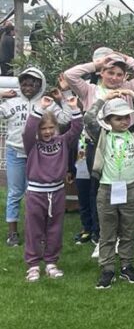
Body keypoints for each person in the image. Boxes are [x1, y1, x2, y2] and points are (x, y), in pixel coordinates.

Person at [64, 49, 134, 250]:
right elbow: (70, 75)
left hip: (123, 145)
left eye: (119, 74)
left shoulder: (128, 87)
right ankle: (100, 233)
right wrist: (97, 64)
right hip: (97, 145)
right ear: (101, 73)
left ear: (125, 76)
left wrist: (128, 58)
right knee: (99, 189)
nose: (114, 78)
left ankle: (122, 233)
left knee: (125, 186)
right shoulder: (89, 90)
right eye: (110, 72)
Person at [85, 94, 134, 289]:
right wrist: (104, 98)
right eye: (118, 118)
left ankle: (127, 266)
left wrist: (133, 95)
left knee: (128, 229)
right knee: (107, 232)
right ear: (108, 120)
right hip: (107, 188)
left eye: (126, 117)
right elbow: (88, 117)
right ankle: (107, 268)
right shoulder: (101, 133)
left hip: (131, 187)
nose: (124, 121)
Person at [2, 67, 71, 246]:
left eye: (32, 83)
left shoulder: (46, 102)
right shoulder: (10, 102)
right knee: (15, 192)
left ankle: (38, 232)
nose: (28, 87)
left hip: (40, 154)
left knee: (37, 195)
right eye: (24, 83)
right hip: (15, 152)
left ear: (40, 84)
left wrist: (62, 98)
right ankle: (12, 233)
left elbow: (64, 119)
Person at [21, 94, 83, 281]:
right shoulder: (32, 145)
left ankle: (51, 262)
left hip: (57, 192)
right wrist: (40, 108)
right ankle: (33, 265)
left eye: (51, 127)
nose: (47, 132)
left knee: (55, 228)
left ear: (56, 128)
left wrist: (74, 108)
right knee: (34, 229)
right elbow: (28, 131)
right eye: (44, 128)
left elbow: (77, 129)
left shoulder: (62, 142)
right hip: (36, 193)